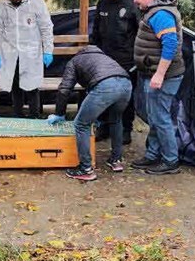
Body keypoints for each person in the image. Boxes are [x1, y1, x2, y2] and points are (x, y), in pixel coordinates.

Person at [46, 46, 133, 181]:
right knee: (116, 120)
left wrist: (59, 113)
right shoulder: (104, 57)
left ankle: (85, 169)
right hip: (126, 84)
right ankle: (116, 161)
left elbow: (64, 89)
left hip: (105, 87)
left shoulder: (74, 61)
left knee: (81, 124)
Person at [129, 0, 184, 175]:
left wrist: (159, 74)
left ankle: (170, 161)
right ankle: (152, 155)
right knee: (154, 116)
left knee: (160, 118)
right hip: (151, 73)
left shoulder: (161, 14)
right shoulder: (153, 11)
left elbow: (170, 44)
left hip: (164, 76)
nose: (134, 0)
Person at [0, 0, 54, 119]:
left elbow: (46, 28)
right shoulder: (1, 6)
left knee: (32, 86)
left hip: (31, 53)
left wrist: (48, 51)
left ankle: (34, 116)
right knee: (15, 86)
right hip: (10, 53)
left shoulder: (37, 3)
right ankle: (18, 116)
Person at [89, 0, 138, 145]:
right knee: (103, 92)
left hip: (126, 59)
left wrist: (135, 57)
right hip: (105, 58)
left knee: (125, 96)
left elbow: (140, 32)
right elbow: (96, 28)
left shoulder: (132, 3)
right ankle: (104, 127)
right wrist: (94, 49)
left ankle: (126, 129)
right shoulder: (103, 2)